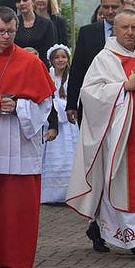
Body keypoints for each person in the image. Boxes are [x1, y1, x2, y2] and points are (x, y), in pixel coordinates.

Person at [66, 10, 135, 261]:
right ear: (114, 29)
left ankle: (99, 228)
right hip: (118, 136)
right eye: (125, 28)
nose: (130, 33)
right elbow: (90, 93)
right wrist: (122, 88)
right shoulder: (104, 59)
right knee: (121, 183)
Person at [0, 7, 57, 268]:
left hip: (19, 142)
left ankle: (14, 259)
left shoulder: (31, 63)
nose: (6, 36)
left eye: (10, 31)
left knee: (16, 207)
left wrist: (19, 106)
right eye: (1, 31)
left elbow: (45, 104)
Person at [41, 44, 80, 203]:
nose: (60, 60)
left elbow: (76, 98)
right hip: (52, 124)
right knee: (53, 157)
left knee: (69, 156)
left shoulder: (72, 77)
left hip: (69, 125)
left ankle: (70, 192)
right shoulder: (47, 76)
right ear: (51, 60)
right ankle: (51, 193)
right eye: (57, 57)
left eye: (63, 57)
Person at [13, 0, 56, 66]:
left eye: (25, 0)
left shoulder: (46, 24)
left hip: (40, 67)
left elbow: (50, 51)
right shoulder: (13, 24)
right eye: (18, 1)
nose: (22, 3)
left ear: (32, 1)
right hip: (18, 67)